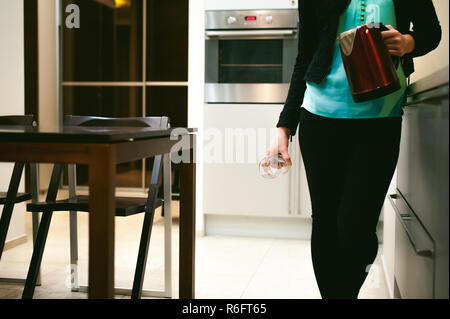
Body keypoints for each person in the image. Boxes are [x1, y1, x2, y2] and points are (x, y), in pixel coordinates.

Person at [268, 0, 441, 299]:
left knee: (356, 229)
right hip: (319, 117)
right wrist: (284, 126)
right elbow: (305, 55)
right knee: (325, 224)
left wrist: (408, 41)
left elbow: (431, 32)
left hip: (381, 118)